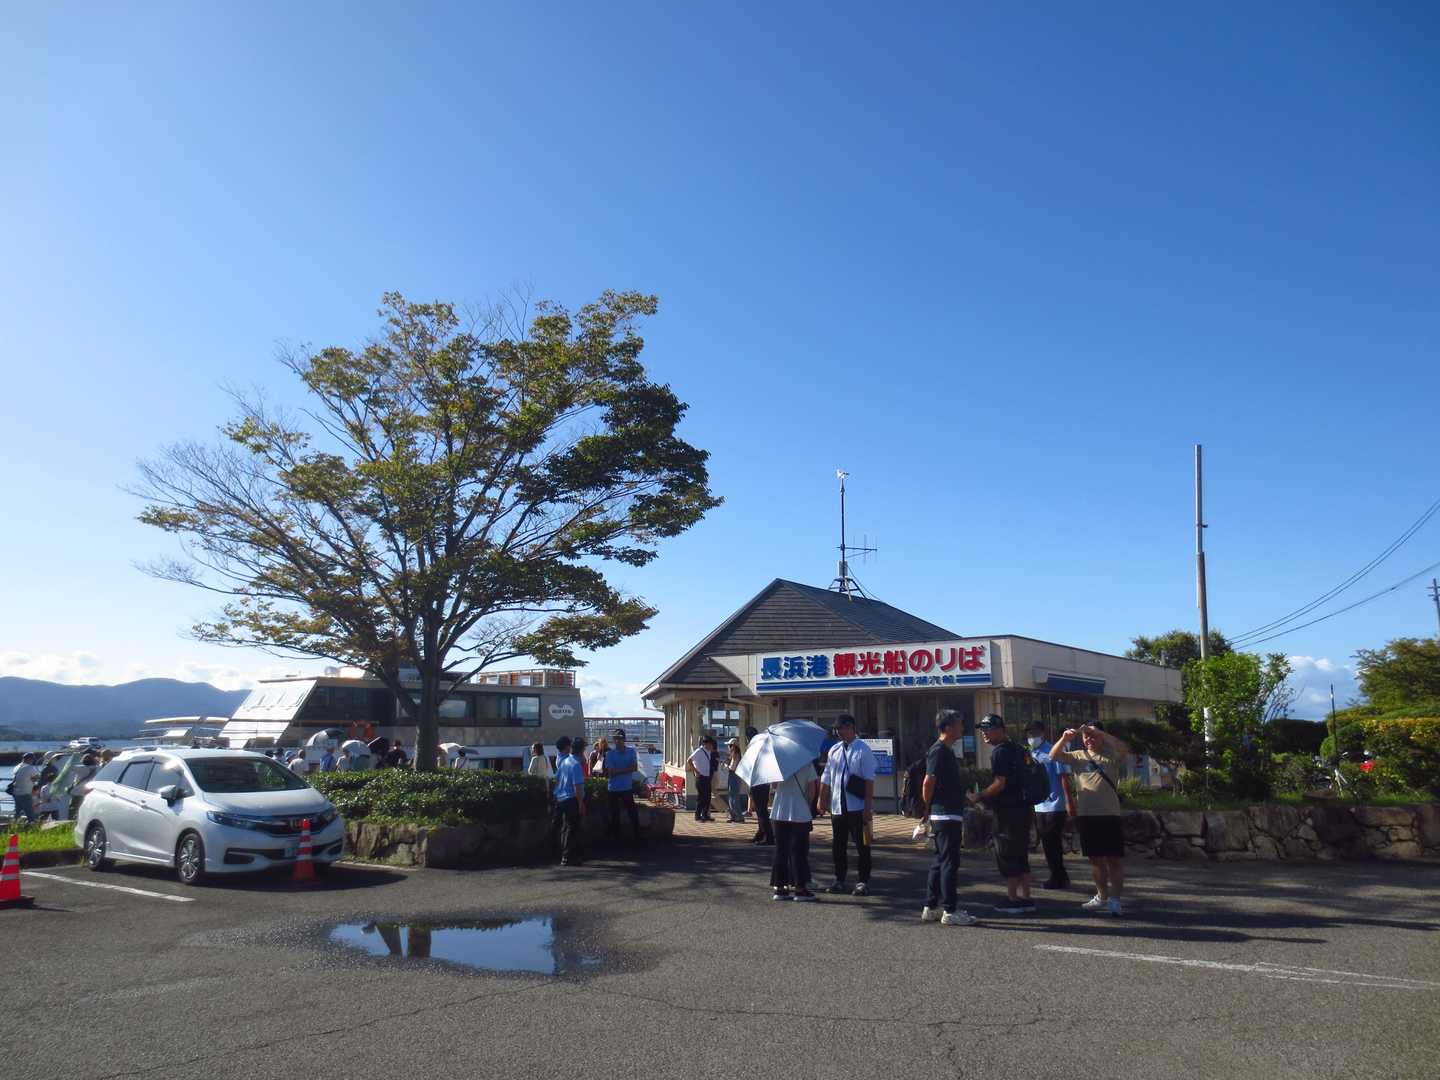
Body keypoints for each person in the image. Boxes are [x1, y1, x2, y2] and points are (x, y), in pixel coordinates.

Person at [1048, 723, 1130, 916]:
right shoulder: (1078, 756)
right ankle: (1102, 896)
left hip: (1109, 814)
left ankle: (1115, 900)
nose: (1089, 739)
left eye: (1093, 736)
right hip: (1086, 815)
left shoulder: (1111, 755)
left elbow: (1124, 748)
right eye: (1086, 736)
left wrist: (1101, 732)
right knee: (1095, 860)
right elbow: (1053, 755)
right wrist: (1064, 739)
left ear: (1101, 736)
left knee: (1114, 859)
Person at [969, 714, 1034, 914]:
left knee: (1007, 853)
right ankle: (1026, 898)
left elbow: (1000, 783)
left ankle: (1013, 899)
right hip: (1024, 808)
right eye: (982, 729)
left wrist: (979, 796)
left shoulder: (1000, 752)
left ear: (1000, 730)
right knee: (1021, 853)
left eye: (988, 729)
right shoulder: (1019, 749)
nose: (984, 733)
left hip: (1007, 811)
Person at [921, 711, 979, 926]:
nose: (962, 728)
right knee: (949, 863)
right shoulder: (938, 750)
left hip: (946, 812)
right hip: (945, 813)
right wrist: (927, 806)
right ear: (947, 727)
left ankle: (931, 907)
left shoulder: (945, 750)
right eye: (959, 724)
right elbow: (928, 781)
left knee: (940, 861)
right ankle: (950, 910)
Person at [818, 715, 877, 896]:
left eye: (842, 728)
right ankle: (839, 879)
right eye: (837, 729)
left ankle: (863, 881)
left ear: (851, 727)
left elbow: (869, 780)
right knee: (838, 845)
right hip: (838, 806)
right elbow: (826, 776)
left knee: (862, 846)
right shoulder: (834, 750)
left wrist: (867, 808)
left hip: (857, 806)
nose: (839, 732)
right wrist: (821, 798)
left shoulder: (863, 750)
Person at [1025, 720, 1075, 889]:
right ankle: (1059, 875)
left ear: (1043, 733)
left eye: (1036, 733)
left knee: (1052, 842)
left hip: (1055, 804)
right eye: (1030, 734)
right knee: (1047, 843)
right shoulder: (1031, 753)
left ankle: (1058, 877)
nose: (1032, 737)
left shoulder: (1053, 751)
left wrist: (1068, 801)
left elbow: (1063, 777)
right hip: (1039, 805)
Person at [769, 757, 818, 901]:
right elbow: (812, 789)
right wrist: (807, 804)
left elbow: (774, 786)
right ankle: (799, 889)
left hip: (779, 810)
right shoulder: (806, 762)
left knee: (781, 850)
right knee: (798, 851)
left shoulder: (778, 762)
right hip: (799, 811)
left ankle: (780, 888)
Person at [550, 735, 587, 866]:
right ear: (582, 750)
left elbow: (557, 780)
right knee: (572, 828)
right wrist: (581, 803)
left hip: (561, 798)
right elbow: (578, 787)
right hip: (571, 799)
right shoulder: (576, 765)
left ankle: (564, 855)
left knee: (565, 828)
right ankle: (568, 857)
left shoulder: (565, 761)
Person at [602, 729, 643, 844]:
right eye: (615, 738)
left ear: (624, 739)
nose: (617, 741)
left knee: (633, 814)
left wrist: (617, 770)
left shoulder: (631, 751)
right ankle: (616, 840)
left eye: (619, 738)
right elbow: (611, 772)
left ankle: (637, 838)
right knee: (614, 815)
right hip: (613, 789)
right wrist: (627, 769)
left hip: (626, 788)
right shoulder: (609, 754)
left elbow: (634, 768)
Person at [746, 728, 774, 845]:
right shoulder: (763, 746)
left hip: (759, 781)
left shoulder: (754, 747)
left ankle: (768, 836)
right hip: (763, 781)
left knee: (761, 810)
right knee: (760, 810)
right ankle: (761, 832)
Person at [687, 736, 717, 822]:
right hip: (701, 777)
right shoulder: (699, 751)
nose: (711, 746)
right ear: (706, 744)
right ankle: (697, 816)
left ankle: (705, 815)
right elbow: (689, 760)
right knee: (701, 797)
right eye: (710, 744)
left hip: (707, 777)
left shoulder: (708, 751)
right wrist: (695, 770)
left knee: (708, 797)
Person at [10, 753, 39, 823]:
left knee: (18, 811)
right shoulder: (29, 767)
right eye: (32, 760)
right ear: (29, 759)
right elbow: (36, 778)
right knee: (29, 811)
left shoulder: (17, 767)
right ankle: (32, 825)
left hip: (16, 793)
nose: (32, 761)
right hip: (25, 792)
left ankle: (14, 824)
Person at [724, 738, 747, 823]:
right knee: (731, 796)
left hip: (734, 776)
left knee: (734, 797)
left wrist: (726, 765)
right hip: (734, 776)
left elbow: (733, 768)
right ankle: (733, 816)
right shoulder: (735, 754)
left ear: (733, 746)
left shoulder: (735, 754)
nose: (728, 747)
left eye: (730, 745)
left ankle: (738, 816)